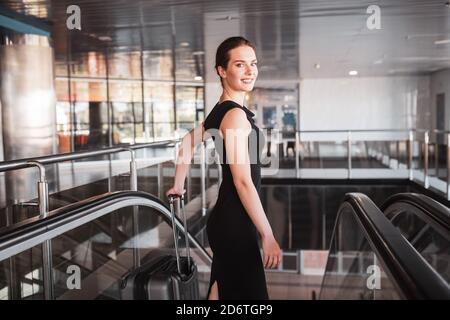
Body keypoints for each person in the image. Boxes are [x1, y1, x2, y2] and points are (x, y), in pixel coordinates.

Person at [166, 36, 281, 300]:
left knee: (221, 290)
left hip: (228, 220)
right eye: (240, 64)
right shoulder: (235, 116)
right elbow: (242, 181)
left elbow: (188, 141)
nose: (250, 71)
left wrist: (178, 184)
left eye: (253, 63)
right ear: (221, 70)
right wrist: (268, 234)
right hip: (236, 225)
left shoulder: (221, 110)